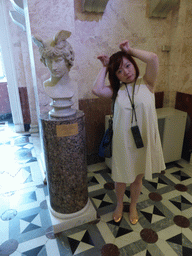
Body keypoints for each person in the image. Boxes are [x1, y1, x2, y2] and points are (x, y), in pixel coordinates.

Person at [92, 40, 165, 225]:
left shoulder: (147, 83)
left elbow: (154, 58)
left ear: (134, 64)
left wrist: (130, 50)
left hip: (143, 142)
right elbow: (96, 89)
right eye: (119, 71)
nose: (126, 71)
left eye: (128, 65)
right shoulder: (116, 91)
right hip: (123, 143)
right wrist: (105, 67)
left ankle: (132, 205)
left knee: (137, 177)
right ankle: (119, 204)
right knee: (121, 177)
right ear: (116, 76)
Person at [33, 30, 75, 99]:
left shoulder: (74, 85)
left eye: (58, 60)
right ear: (44, 62)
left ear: (68, 59)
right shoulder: (47, 86)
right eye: (49, 62)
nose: (53, 67)